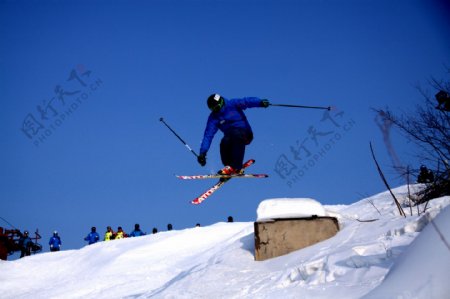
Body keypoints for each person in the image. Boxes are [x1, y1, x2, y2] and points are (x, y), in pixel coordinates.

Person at [197, 94, 270, 174]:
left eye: (217, 108)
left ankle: (236, 166)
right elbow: (208, 135)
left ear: (221, 103)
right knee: (224, 142)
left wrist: (260, 102)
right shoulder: (213, 118)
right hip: (230, 137)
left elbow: (246, 101)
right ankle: (229, 167)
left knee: (235, 134)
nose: (216, 111)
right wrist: (202, 153)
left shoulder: (232, 104)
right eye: (212, 109)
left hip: (245, 134)